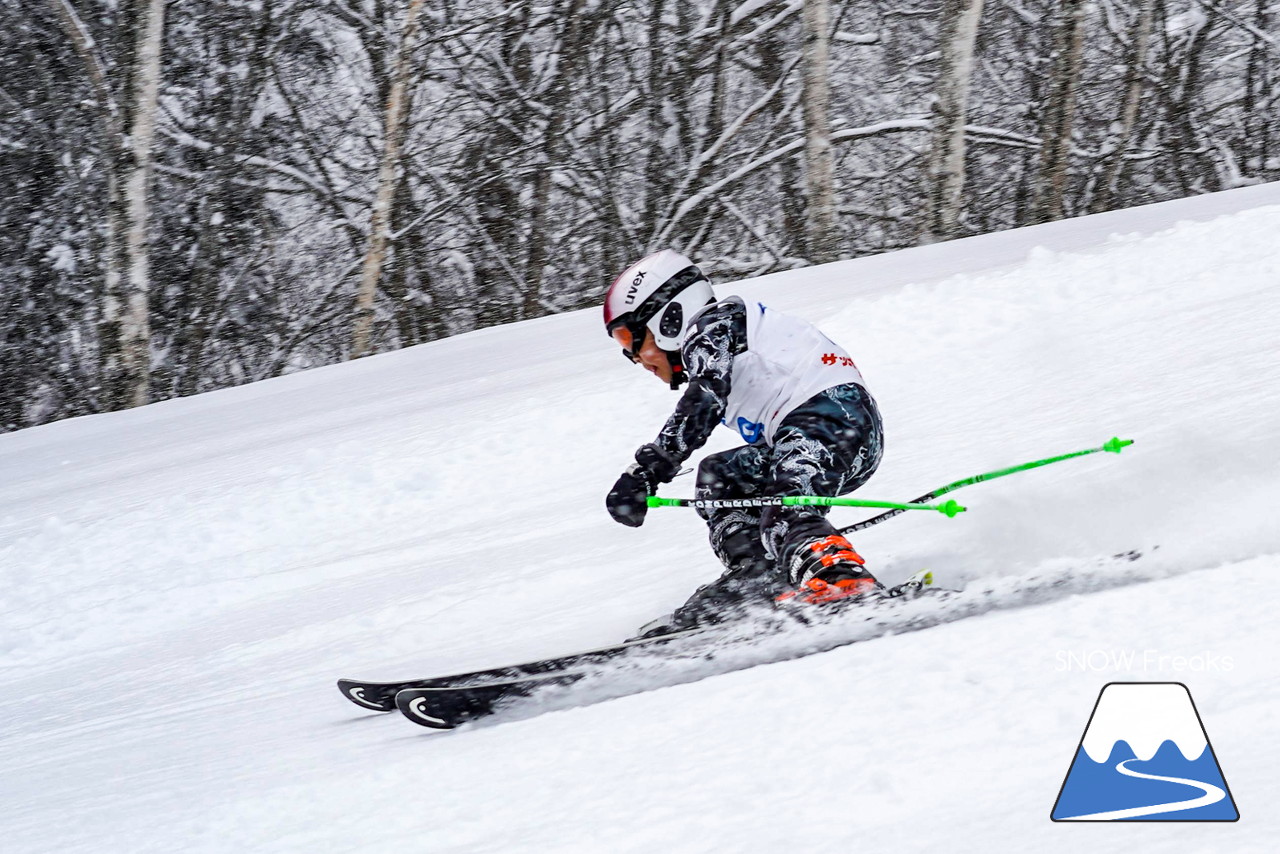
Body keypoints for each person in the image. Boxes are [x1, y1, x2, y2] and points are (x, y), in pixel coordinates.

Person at [603, 249, 886, 635]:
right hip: (817, 429)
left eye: (629, 339)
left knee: (784, 506)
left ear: (668, 317)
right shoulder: (713, 339)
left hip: (834, 417)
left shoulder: (712, 327)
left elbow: (705, 399)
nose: (634, 358)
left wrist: (646, 472)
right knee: (721, 475)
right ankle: (759, 576)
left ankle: (842, 579)